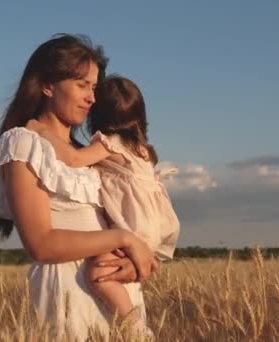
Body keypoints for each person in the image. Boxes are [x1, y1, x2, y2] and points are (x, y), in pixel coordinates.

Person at [0, 34, 158, 340]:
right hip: (68, 293)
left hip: (115, 293)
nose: (92, 97)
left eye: (94, 87)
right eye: (82, 84)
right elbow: (41, 244)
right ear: (48, 85)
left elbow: (133, 223)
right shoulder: (24, 143)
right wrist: (123, 238)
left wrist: (134, 262)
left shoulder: (88, 153)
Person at [26, 75, 180, 332]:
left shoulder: (110, 143)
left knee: (98, 275)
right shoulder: (143, 150)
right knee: (117, 273)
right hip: (154, 224)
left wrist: (41, 131)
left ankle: (136, 329)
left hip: (132, 226)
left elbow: (74, 159)